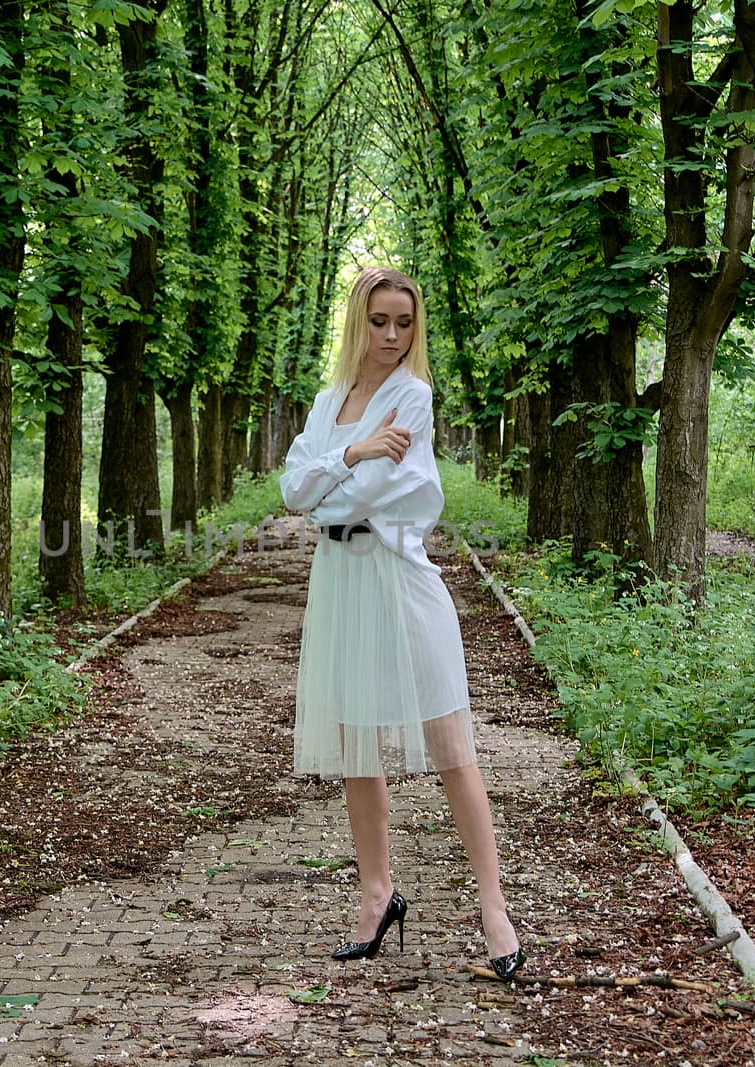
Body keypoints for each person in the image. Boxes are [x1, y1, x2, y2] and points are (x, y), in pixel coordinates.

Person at [279, 266, 523, 980]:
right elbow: (296, 493)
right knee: (359, 748)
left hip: (400, 580)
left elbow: (365, 496)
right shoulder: (328, 404)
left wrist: (335, 478)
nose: (392, 335)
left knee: (450, 745)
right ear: (358, 321)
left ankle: (493, 905)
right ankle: (377, 896)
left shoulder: (411, 398)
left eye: (404, 323)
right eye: (380, 321)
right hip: (340, 584)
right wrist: (352, 452)